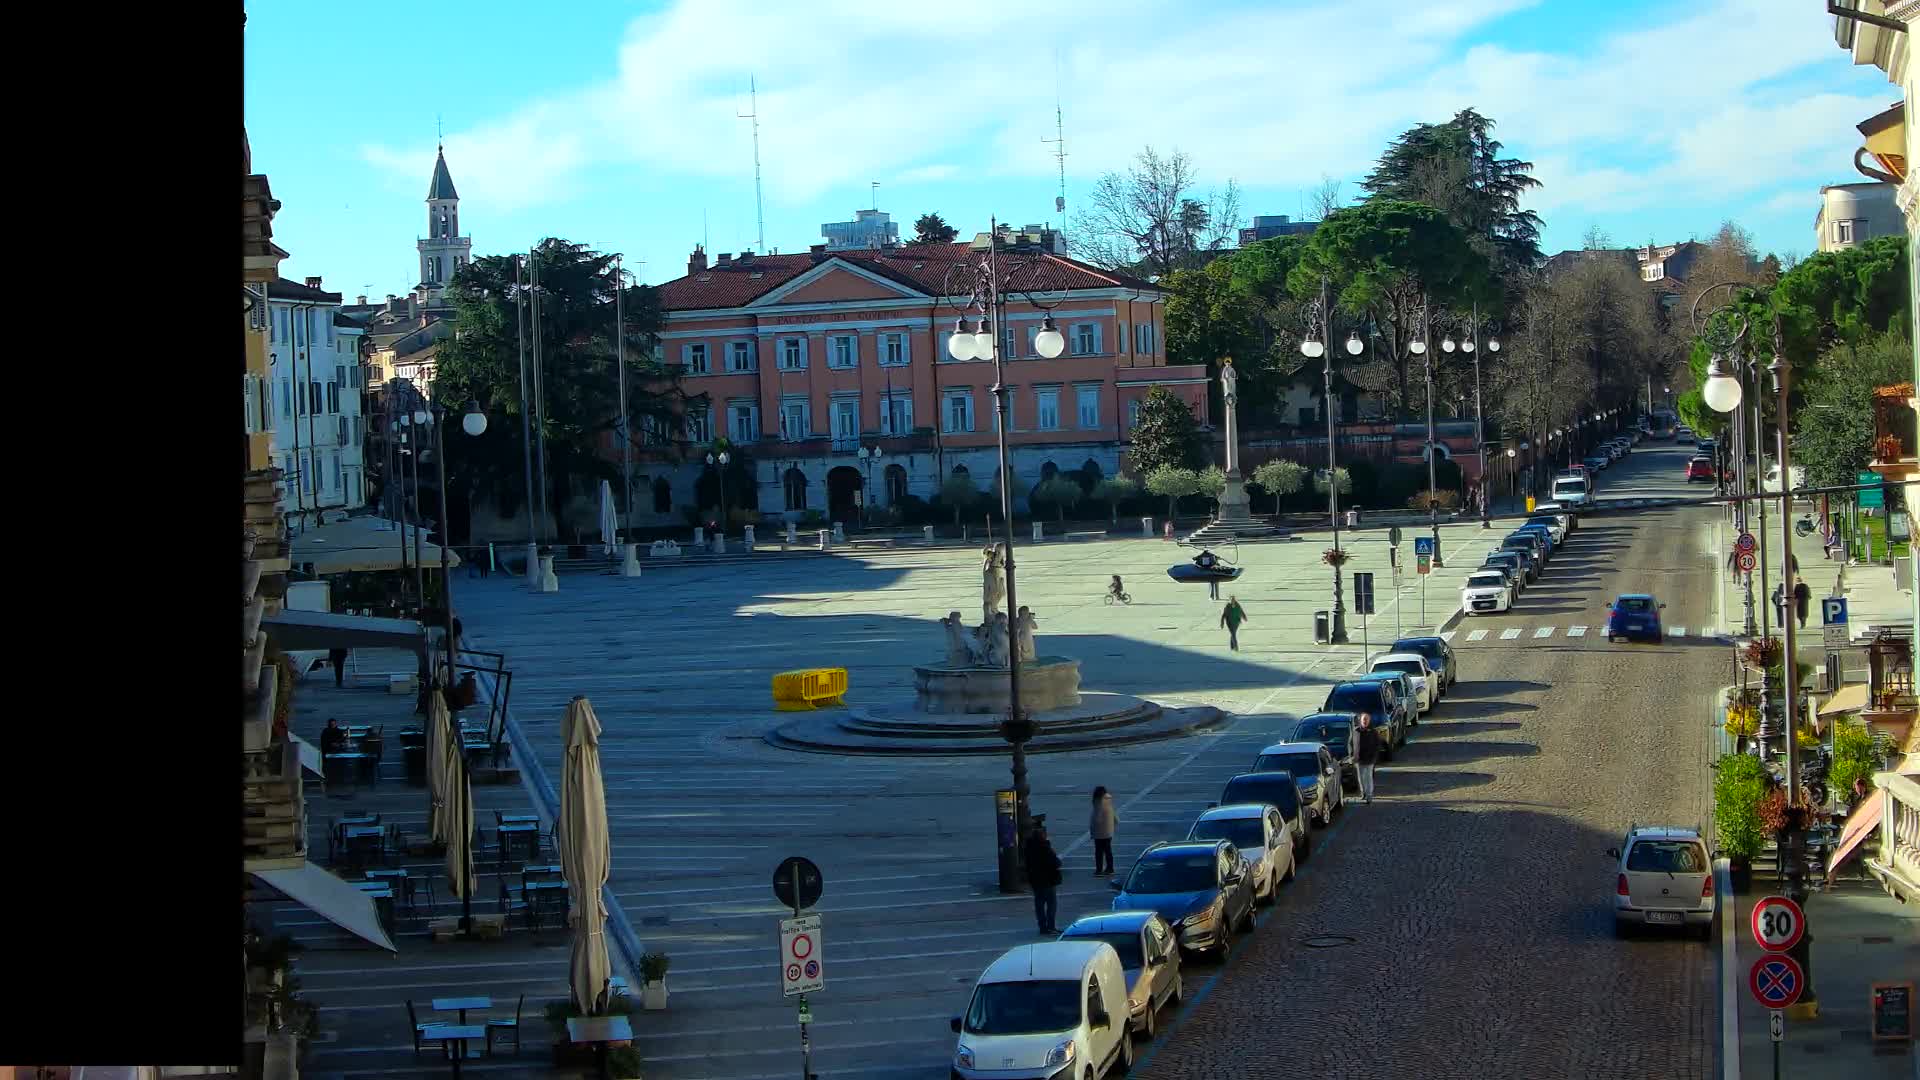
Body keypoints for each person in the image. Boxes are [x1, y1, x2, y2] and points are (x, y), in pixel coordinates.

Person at [1023, 818, 1063, 934]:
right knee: (1051, 904)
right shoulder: (1045, 848)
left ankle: (1042, 926)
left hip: (1035, 880)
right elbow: (1055, 863)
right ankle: (1051, 926)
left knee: (1039, 904)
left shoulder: (1029, 848)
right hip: (1048, 880)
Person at [1089, 787, 1117, 876]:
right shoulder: (1108, 800)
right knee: (1108, 850)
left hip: (1099, 831)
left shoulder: (1098, 802)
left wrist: (1092, 827)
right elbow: (1113, 812)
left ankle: (1099, 870)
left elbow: (1097, 817)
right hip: (1108, 830)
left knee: (1099, 851)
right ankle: (1110, 868)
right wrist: (1116, 821)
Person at [1354, 713, 1381, 803]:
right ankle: (1364, 792)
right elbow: (1351, 743)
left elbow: (1377, 745)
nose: (1365, 721)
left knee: (1368, 777)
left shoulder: (1373, 732)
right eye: (1363, 719)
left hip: (1370, 758)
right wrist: (1352, 754)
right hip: (1359, 758)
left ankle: (1369, 795)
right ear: (1360, 720)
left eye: (1367, 719)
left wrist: (1375, 756)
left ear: (1369, 721)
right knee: (1361, 777)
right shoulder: (1356, 731)